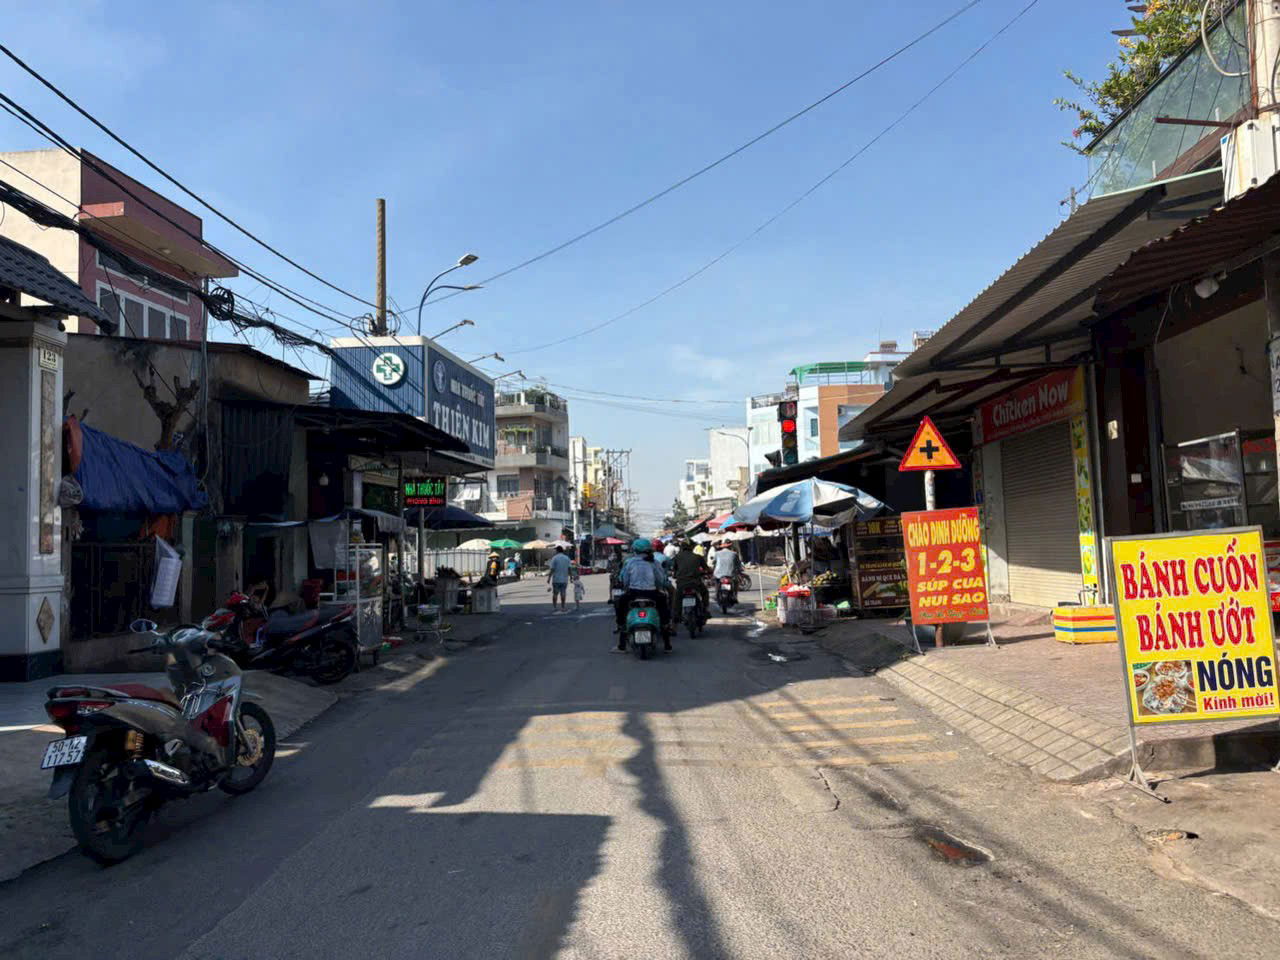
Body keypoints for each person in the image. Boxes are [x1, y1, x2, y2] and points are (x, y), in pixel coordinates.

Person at [615, 538, 672, 651]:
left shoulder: (630, 562)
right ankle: (667, 644)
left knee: (621, 605)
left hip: (633, 593)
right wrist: (659, 587)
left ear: (635, 550)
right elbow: (660, 580)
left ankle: (622, 638)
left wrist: (626, 587)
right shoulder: (654, 562)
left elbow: (625, 580)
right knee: (664, 610)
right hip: (652, 593)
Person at [672, 539, 709, 621]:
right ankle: (705, 609)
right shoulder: (698, 557)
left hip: (682, 584)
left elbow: (674, 570)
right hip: (695, 583)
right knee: (705, 592)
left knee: (677, 598)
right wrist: (707, 573)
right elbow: (706, 569)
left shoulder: (677, 557)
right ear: (692, 547)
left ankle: (677, 615)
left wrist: (675, 575)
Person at [547, 545, 572, 612]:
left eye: (556, 550)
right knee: (563, 593)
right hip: (564, 579)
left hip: (556, 579)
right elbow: (569, 568)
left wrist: (549, 578)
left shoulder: (554, 558)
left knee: (555, 593)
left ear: (557, 550)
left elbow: (552, 569)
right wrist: (571, 577)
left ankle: (555, 607)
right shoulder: (567, 558)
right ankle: (563, 607)